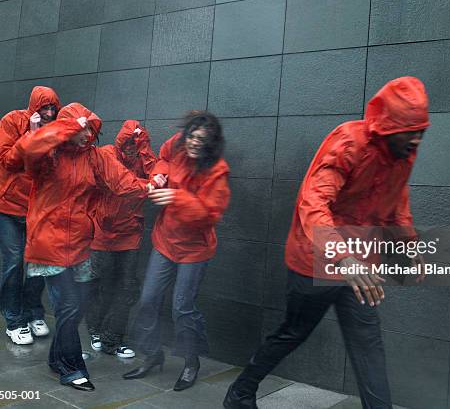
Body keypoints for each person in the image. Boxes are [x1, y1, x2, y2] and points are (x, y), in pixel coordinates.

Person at [223, 77, 430, 409]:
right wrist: (343, 258)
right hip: (316, 260)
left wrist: (410, 244)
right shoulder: (349, 141)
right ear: (390, 127)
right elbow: (313, 201)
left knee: (368, 346)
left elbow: (396, 202)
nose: (417, 138)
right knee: (292, 333)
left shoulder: (404, 153)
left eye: (422, 130)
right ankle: (240, 391)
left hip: (361, 266)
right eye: (410, 130)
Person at [12, 103, 151, 391]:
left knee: (77, 306)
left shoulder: (94, 157)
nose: (87, 134)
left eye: (91, 129)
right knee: (69, 304)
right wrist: (69, 126)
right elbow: (28, 149)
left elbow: (121, 181)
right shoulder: (48, 155)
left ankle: (55, 358)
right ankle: (71, 368)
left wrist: (149, 188)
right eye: (82, 128)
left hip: (79, 243)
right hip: (49, 244)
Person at [123, 111, 230, 392]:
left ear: (211, 144)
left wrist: (178, 196)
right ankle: (152, 354)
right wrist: (159, 176)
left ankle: (191, 361)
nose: (194, 143)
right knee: (148, 300)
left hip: (195, 250)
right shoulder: (176, 145)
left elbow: (211, 213)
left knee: (182, 307)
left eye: (201, 140)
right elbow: (164, 158)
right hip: (165, 240)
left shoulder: (217, 170)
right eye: (192, 136)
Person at [0, 86, 61, 345]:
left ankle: (33, 313)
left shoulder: (55, 130)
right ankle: (14, 320)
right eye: (44, 108)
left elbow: (52, 169)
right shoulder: (11, 121)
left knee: (38, 265)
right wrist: (32, 136)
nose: (48, 113)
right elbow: (8, 161)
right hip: (8, 206)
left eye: (52, 108)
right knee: (13, 263)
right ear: (34, 107)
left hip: (37, 208)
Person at [86, 120, 157, 359]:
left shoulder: (141, 159)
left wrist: (145, 147)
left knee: (126, 287)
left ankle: (112, 338)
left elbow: (157, 173)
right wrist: (150, 185)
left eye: (136, 143)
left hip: (129, 233)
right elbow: (121, 185)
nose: (131, 147)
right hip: (103, 232)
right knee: (100, 283)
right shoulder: (106, 154)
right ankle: (95, 330)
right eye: (128, 141)